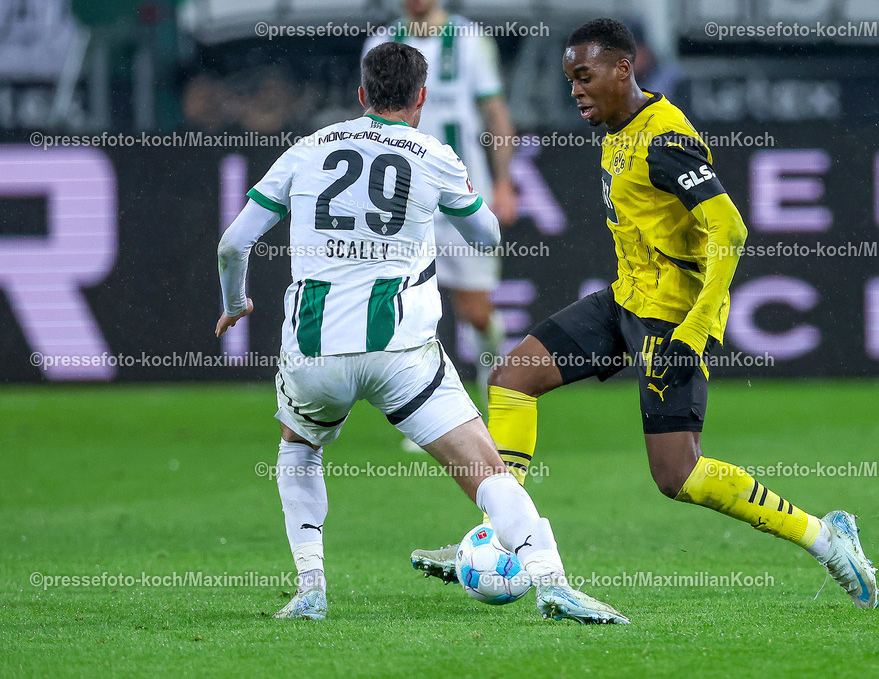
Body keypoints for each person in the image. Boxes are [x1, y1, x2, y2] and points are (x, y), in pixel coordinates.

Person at [411, 19, 879, 610]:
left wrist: (695, 329)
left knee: (677, 476)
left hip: (670, 322)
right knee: (512, 379)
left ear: (622, 69)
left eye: (584, 77)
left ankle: (826, 537)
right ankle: (503, 536)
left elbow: (729, 227)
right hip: (627, 300)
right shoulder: (617, 128)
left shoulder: (664, 137)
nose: (575, 91)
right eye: (569, 80)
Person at [215, 41, 627, 624]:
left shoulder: (306, 150)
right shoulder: (433, 154)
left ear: (361, 95)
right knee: (487, 472)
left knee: (298, 449)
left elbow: (233, 242)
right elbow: (486, 237)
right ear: (422, 98)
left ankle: (311, 588)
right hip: (401, 353)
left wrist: (237, 302)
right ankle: (553, 584)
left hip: (314, 350)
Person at [362, 0, 517, 407]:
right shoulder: (380, 42)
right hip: (401, 201)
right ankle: (422, 408)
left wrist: (503, 183)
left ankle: (491, 373)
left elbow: (495, 113)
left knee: (475, 312)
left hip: (459, 192)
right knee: (408, 310)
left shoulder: (469, 39)